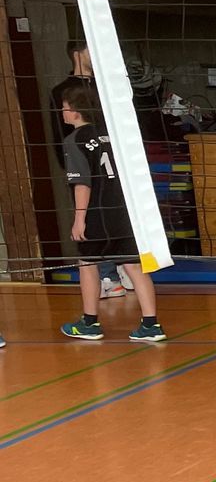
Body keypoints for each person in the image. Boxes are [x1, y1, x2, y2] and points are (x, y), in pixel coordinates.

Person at [55, 81, 166, 344]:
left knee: (87, 264)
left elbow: (82, 183)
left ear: (75, 111)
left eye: (64, 107)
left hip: (98, 212)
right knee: (135, 266)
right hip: (125, 212)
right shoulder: (112, 135)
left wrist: (79, 218)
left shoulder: (74, 140)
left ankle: (89, 323)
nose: (62, 112)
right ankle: (151, 324)